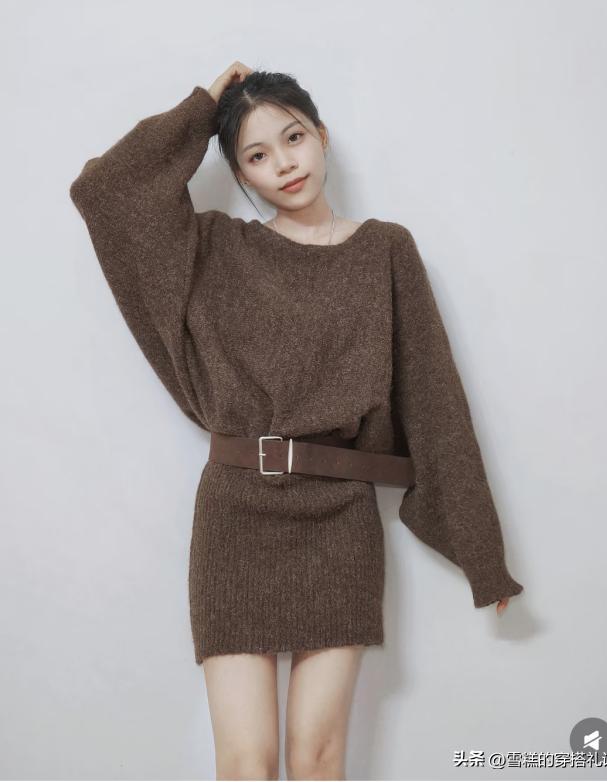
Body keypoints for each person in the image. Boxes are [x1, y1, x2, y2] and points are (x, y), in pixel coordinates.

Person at [69, 62, 524, 781]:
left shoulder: (385, 250)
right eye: (256, 154)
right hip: (234, 517)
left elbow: (434, 401)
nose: (283, 163)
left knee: (317, 759)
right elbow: (106, 191)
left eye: (293, 137)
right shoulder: (217, 250)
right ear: (239, 173)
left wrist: (482, 552)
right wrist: (204, 107)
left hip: (338, 520)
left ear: (322, 136)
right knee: (246, 762)